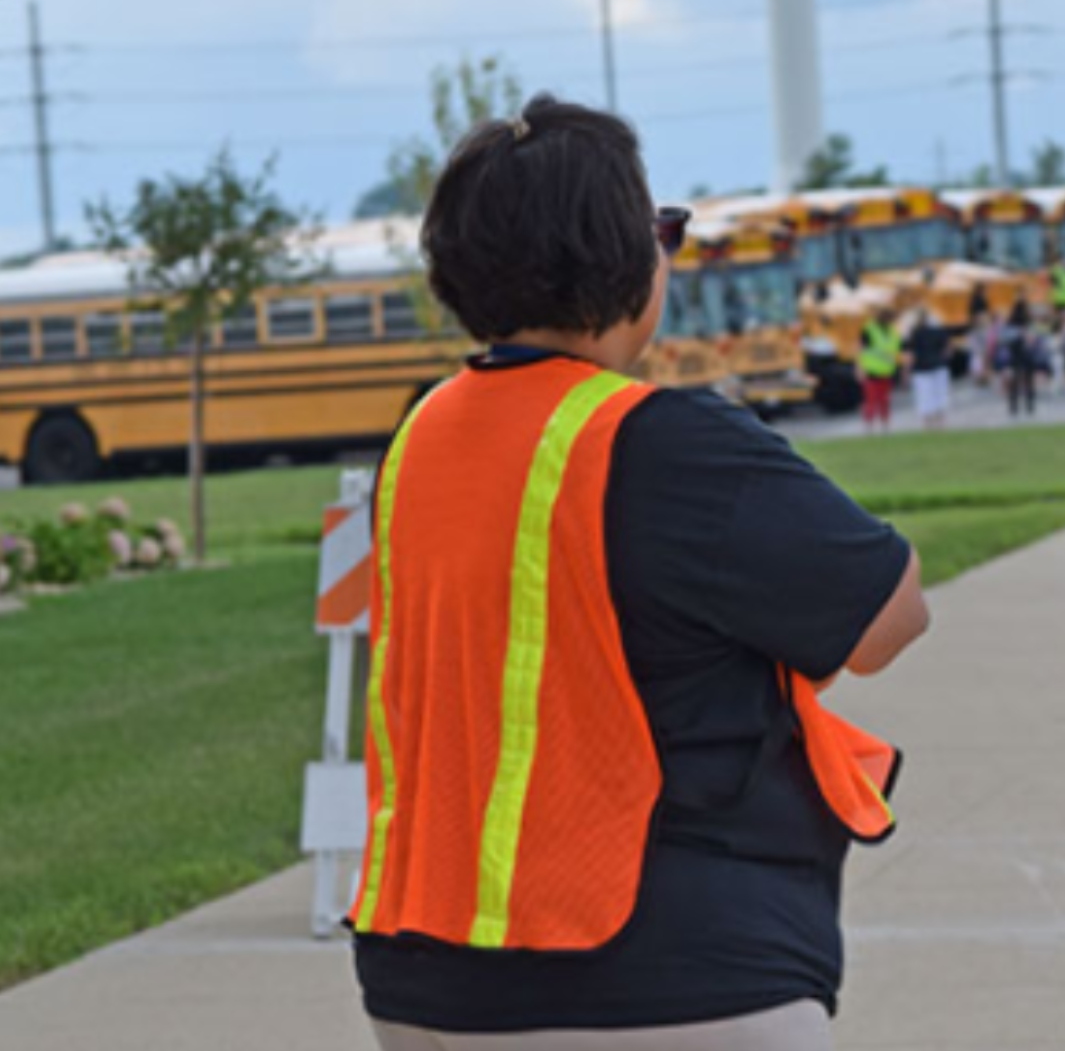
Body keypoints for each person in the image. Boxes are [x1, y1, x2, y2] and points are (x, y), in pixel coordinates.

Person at [350, 96, 929, 1051]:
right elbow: (887, 615)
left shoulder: (419, 444)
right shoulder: (667, 443)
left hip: (429, 977)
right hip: (675, 970)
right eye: (663, 231)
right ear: (623, 259)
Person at [905, 306, 955, 430]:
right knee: (940, 393)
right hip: (938, 365)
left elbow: (909, 354)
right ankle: (941, 419)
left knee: (924, 395)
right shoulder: (938, 331)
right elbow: (948, 349)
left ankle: (927, 421)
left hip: (921, 368)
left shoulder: (913, 333)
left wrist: (905, 371)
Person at [856, 307, 902, 432]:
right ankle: (868, 426)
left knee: (885, 400)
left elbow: (895, 350)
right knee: (871, 400)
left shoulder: (892, 331)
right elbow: (860, 349)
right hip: (871, 370)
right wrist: (859, 368)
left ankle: (885, 425)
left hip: (887, 371)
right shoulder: (870, 330)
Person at [996, 299, 1040, 418]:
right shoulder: (1026, 324)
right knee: (1026, 381)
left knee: (1017, 381)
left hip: (1016, 355)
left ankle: (1015, 406)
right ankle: (1027, 404)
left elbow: (1003, 339)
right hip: (1023, 355)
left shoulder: (1011, 324)